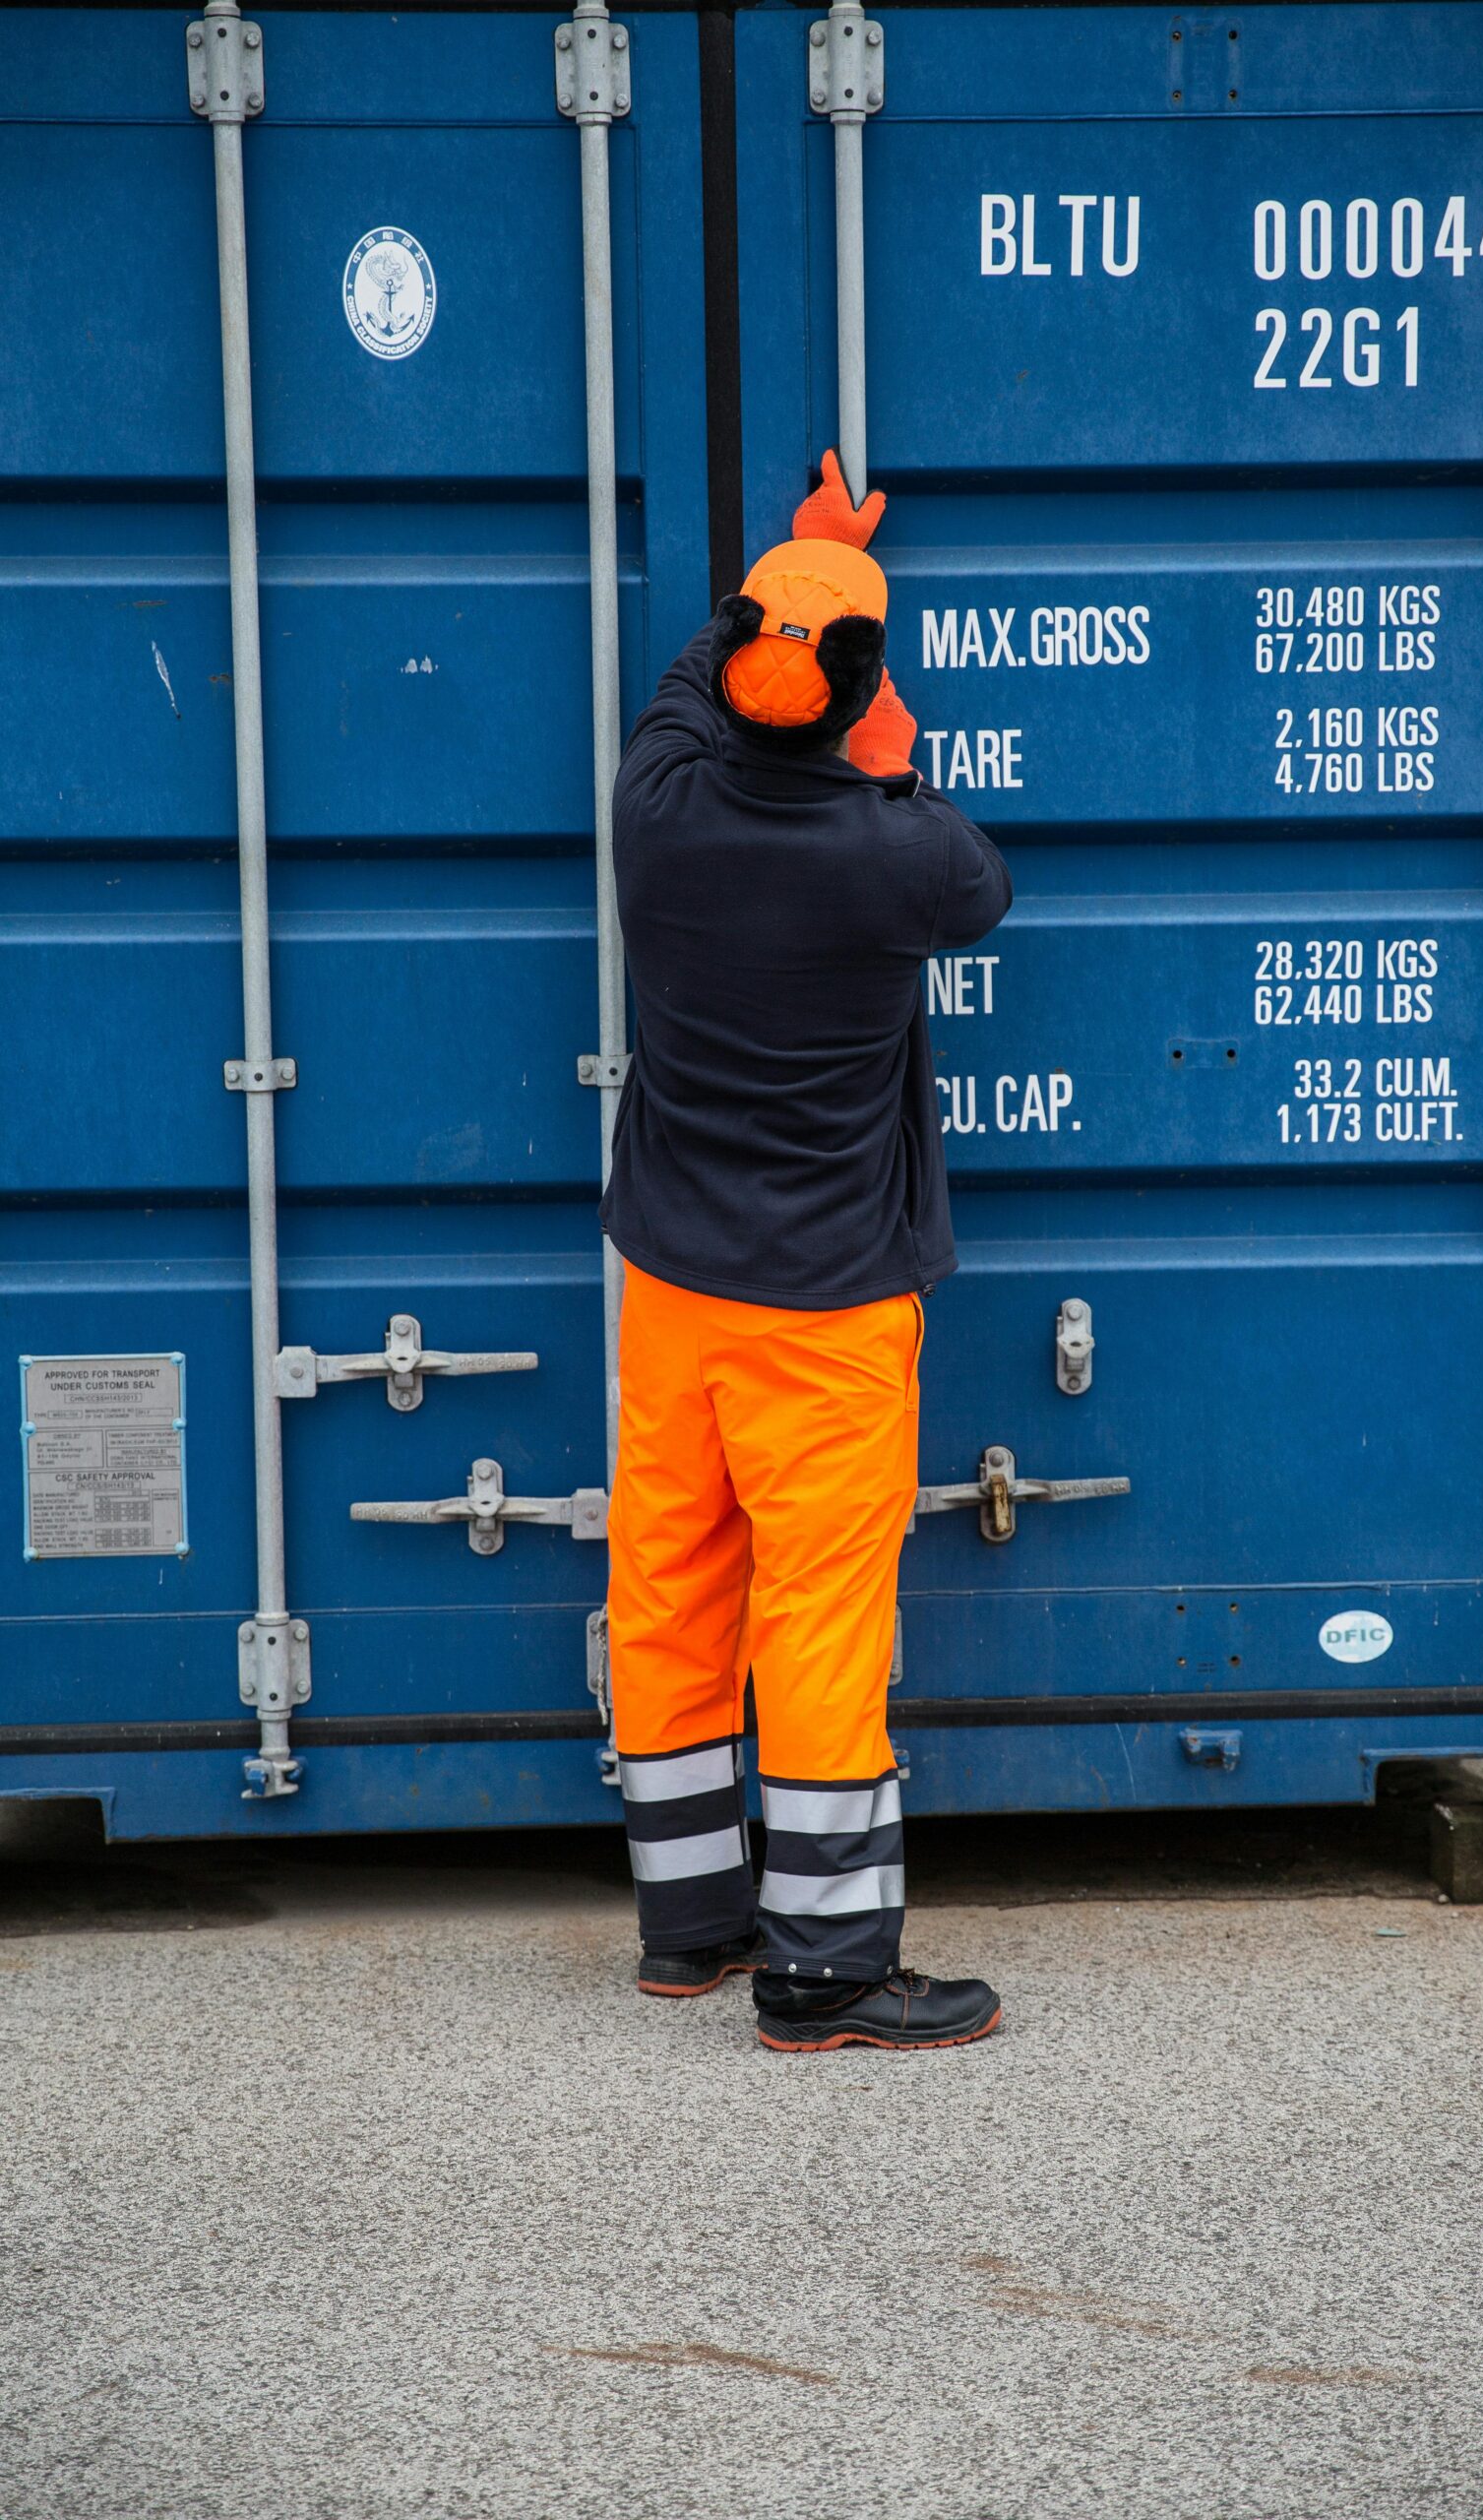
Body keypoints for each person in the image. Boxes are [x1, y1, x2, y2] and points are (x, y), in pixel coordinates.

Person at [600, 452, 1012, 2052]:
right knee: (820, 1618)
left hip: (674, 1295)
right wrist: (893, 764)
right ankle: (827, 1970)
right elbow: (984, 885)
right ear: (859, 693)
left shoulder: (656, 812)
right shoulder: (896, 852)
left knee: (673, 1584)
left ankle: (689, 1926)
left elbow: (691, 681)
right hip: (827, 1310)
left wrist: (795, 563)